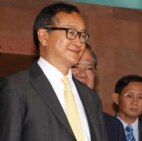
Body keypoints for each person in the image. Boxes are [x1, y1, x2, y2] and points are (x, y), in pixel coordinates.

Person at [0, 2, 107, 141]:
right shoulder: (16, 88)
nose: (79, 42)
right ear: (44, 36)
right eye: (71, 32)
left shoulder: (91, 98)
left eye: (82, 35)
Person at [72, 44, 126, 141]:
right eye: (75, 66)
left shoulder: (113, 127)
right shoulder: (46, 114)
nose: (82, 73)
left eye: (89, 68)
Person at [112, 75, 142, 141]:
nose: (135, 102)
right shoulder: (103, 128)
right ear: (116, 98)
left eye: (140, 97)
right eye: (129, 96)